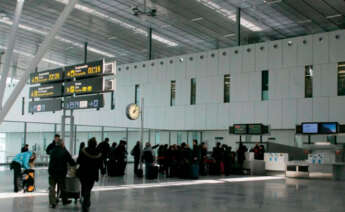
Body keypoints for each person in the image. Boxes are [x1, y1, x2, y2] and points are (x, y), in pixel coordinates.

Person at [48, 139, 76, 208]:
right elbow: (71, 162)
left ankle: (52, 202)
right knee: (63, 187)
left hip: (52, 172)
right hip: (61, 172)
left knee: (52, 188)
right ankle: (64, 200)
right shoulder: (64, 151)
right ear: (62, 144)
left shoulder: (53, 151)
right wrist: (76, 164)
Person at [77, 137, 102, 212]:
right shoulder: (98, 152)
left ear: (88, 143)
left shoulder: (83, 151)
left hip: (83, 173)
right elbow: (99, 164)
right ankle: (86, 202)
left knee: (84, 186)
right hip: (92, 174)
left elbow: (79, 161)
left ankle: (84, 199)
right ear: (95, 144)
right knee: (88, 188)